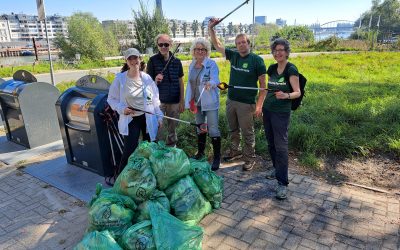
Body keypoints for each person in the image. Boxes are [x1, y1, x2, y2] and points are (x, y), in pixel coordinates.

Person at [208, 18, 267, 171]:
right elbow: (217, 45)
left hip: (247, 104)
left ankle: (249, 158)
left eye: (244, 42)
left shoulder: (257, 61)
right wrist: (211, 29)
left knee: (248, 132)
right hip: (231, 100)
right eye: (238, 42)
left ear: (249, 44)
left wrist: (259, 105)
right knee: (233, 129)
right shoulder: (233, 56)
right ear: (236, 45)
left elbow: (263, 86)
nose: (241, 44)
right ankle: (235, 151)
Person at [107, 48, 163, 172]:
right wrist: (122, 109)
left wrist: (159, 116)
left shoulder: (147, 78)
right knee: (129, 150)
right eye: (130, 58)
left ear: (140, 59)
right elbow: (111, 99)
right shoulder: (120, 79)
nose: (133, 61)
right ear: (126, 61)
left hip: (147, 116)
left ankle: (151, 176)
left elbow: (154, 99)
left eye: (135, 58)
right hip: (131, 117)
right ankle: (121, 180)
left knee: (151, 148)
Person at [261, 38, 301, 200]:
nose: (278, 53)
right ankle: (276, 168)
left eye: (281, 50)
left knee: (281, 146)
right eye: (275, 50)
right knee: (271, 142)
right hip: (268, 109)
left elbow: (297, 92)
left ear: (286, 52)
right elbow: (267, 89)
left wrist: (286, 95)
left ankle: (282, 183)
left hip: (281, 113)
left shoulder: (291, 69)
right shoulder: (271, 68)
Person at [184, 38, 221, 171]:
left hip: (209, 101)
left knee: (213, 128)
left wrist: (211, 83)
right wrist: (189, 101)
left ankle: (217, 157)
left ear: (207, 51)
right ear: (193, 51)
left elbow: (216, 79)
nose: (200, 51)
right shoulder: (192, 65)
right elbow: (190, 84)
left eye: (203, 49)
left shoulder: (211, 64)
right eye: (197, 49)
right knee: (200, 127)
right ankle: (200, 153)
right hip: (196, 102)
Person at [146, 34, 185, 147]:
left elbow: (180, 81)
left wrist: (181, 101)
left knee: (173, 129)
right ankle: (160, 151)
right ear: (157, 46)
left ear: (171, 45)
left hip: (174, 101)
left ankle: (172, 150)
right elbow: (147, 83)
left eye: (166, 44)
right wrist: (155, 79)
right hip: (159, 102)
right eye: (161, 44)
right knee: (159, 128)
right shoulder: (152, 61)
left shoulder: (177, 61)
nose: (163, 47)